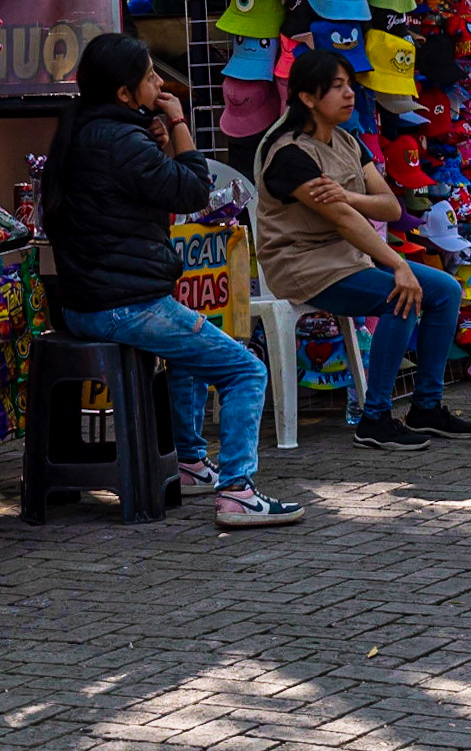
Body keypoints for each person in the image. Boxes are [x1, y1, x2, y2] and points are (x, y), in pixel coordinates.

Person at [43, 33, 303, 528]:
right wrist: (179, 122)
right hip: (123, 304)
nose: (159, 83)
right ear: (124, 93)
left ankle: (188, 461)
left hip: (85, 300)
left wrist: (155, 136)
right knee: (246, 371)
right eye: (149, 77)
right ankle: (238, 492)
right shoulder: (120, 141)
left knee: (188, 349)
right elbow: (191, 191)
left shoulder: (88, 131)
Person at [254, 49, 471, 451]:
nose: (349, 96)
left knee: (445, 290)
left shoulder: (347, 141)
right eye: (337, 87)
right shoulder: (289, 153)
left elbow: (391, 206)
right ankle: (374, 417)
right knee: (400, 296)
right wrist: (397, 264)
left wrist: (346, 194)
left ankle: (426, 406)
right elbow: (343, 220)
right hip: (302, 264)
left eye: (350, 86)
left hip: (346, 260)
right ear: (308, 98)